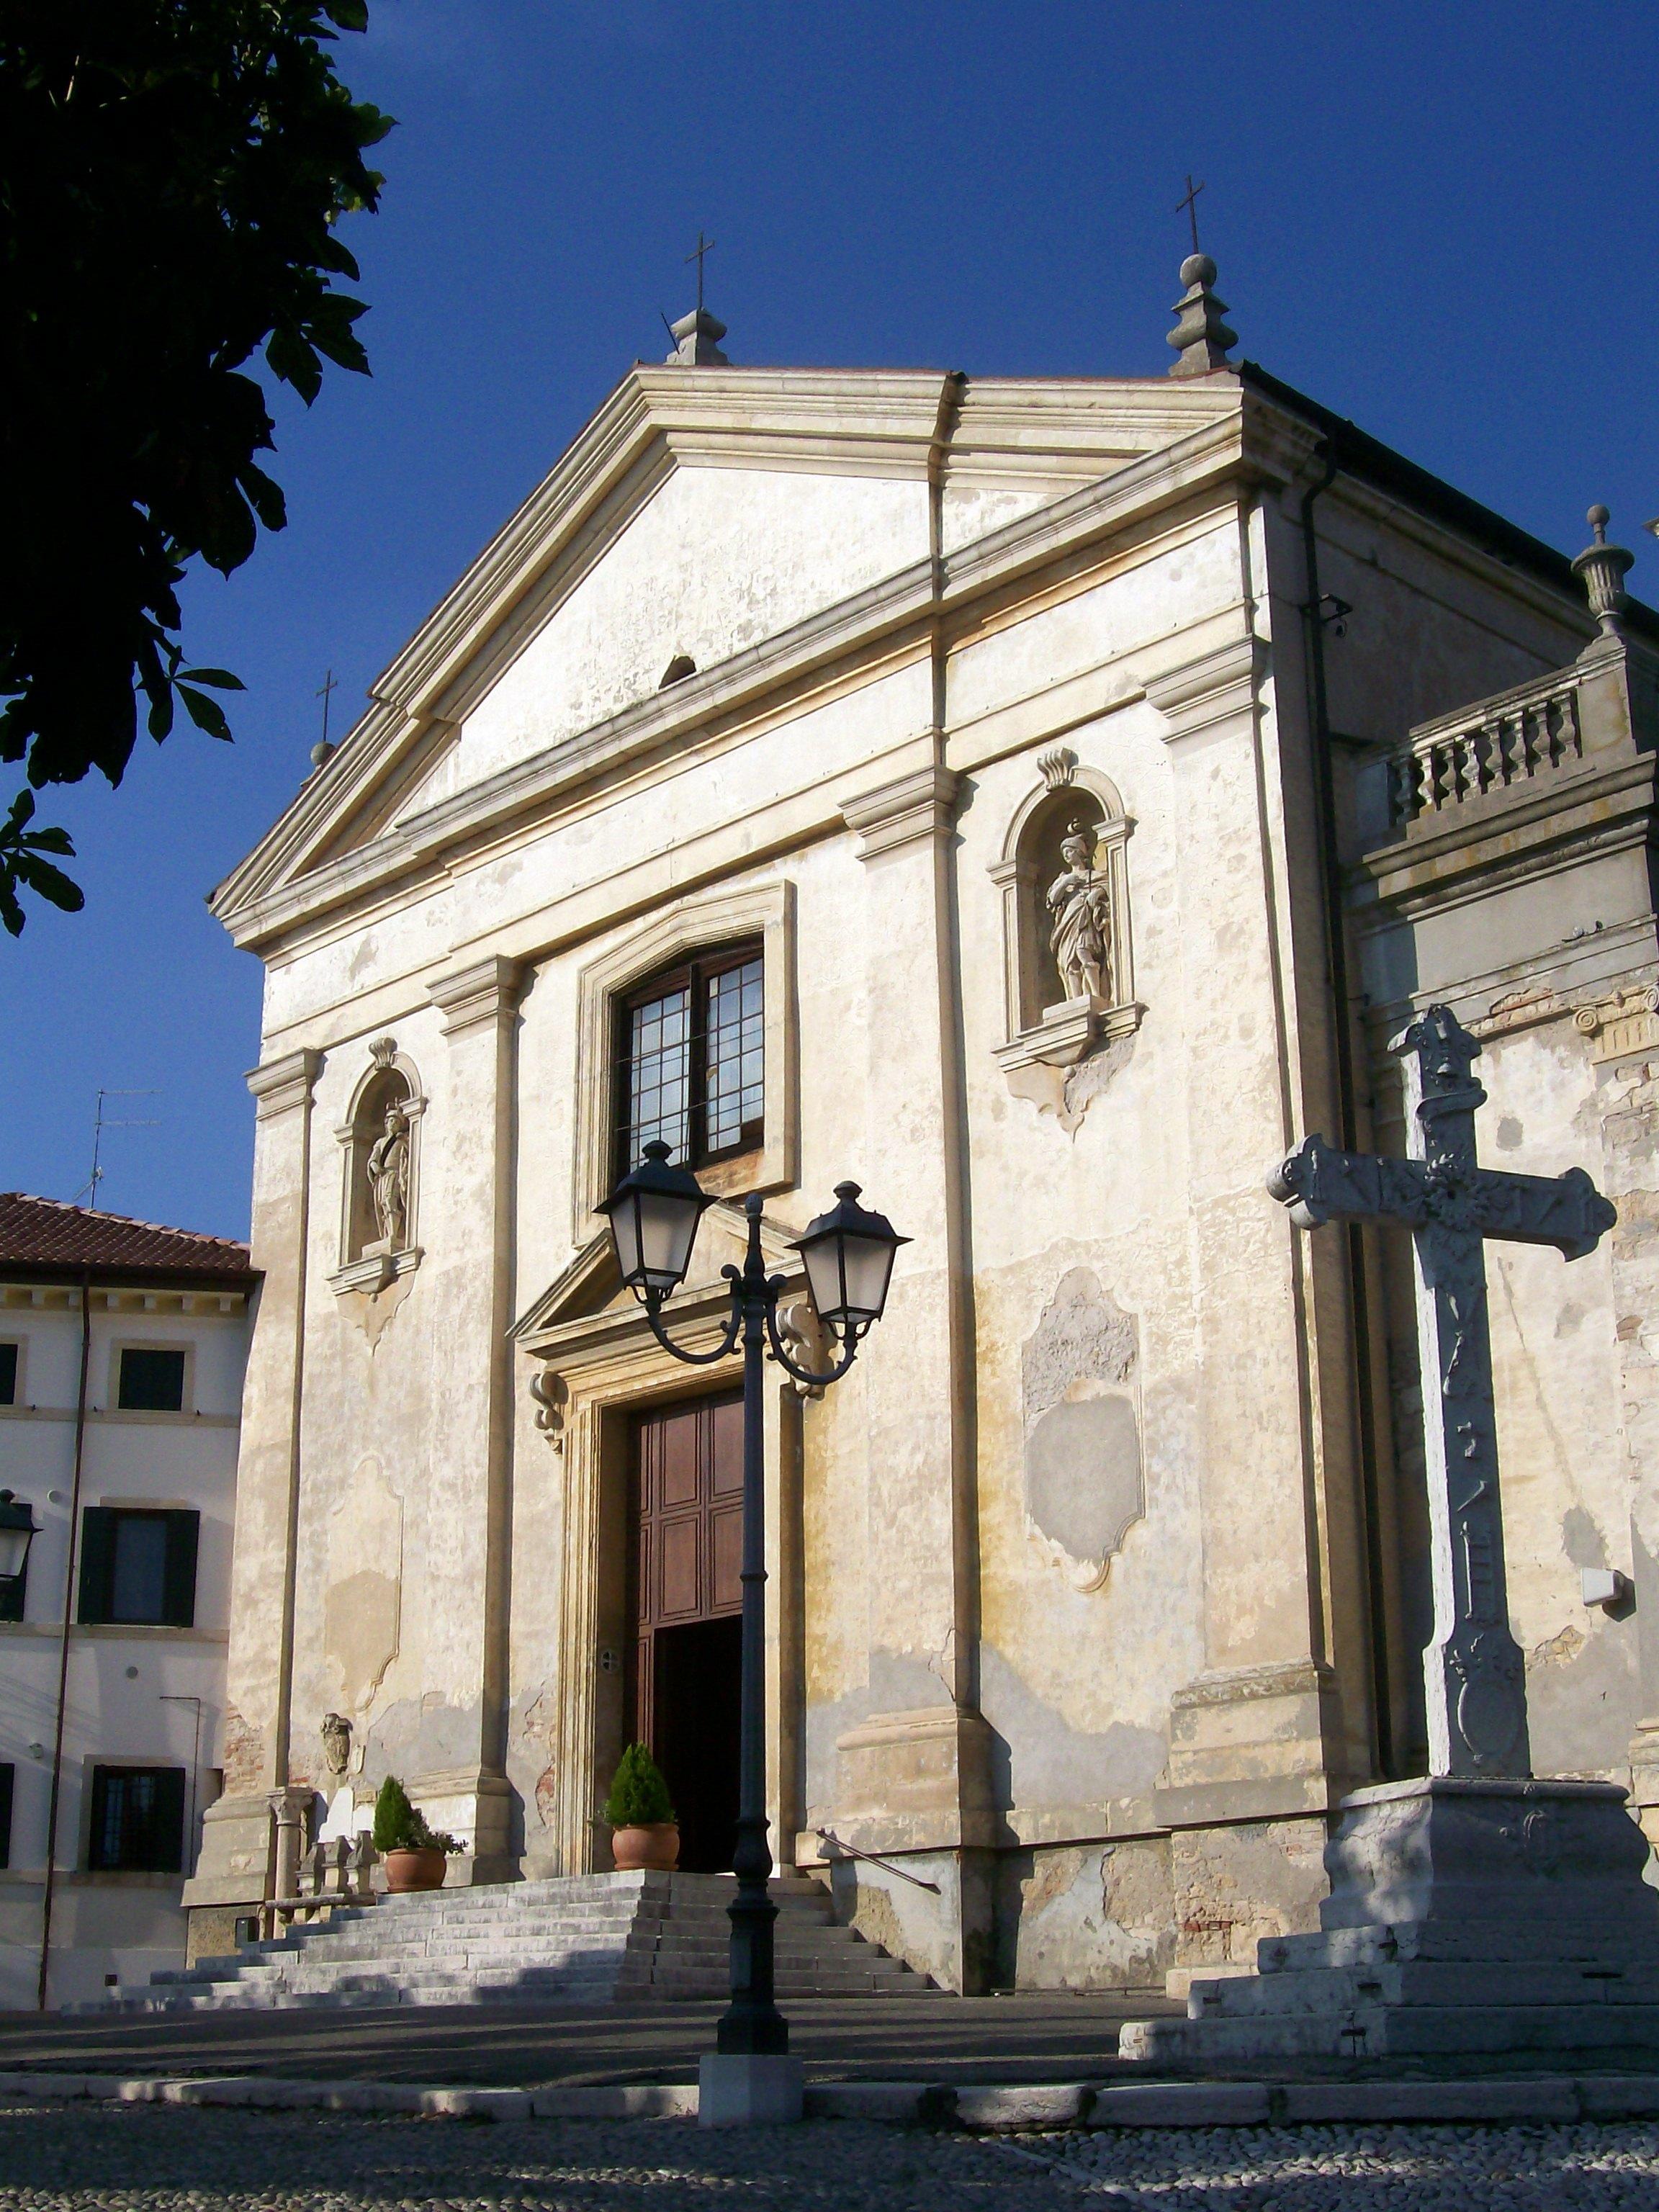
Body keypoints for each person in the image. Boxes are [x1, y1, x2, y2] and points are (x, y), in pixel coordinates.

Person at [1046, 824, 1112, 1002]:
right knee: (1069, 959)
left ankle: (1096, 995)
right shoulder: (1063, 879)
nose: (1067, 855)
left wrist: (1097, 893)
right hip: (1068, 920)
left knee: (1083, 951)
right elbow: (1052, 899)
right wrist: (1065, 881)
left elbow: (1108, 886)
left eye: (1070, 851)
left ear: (1079, 852)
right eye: (1065, 853)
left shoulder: (1093, 875)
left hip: (1084, 918)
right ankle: (1075, 999)